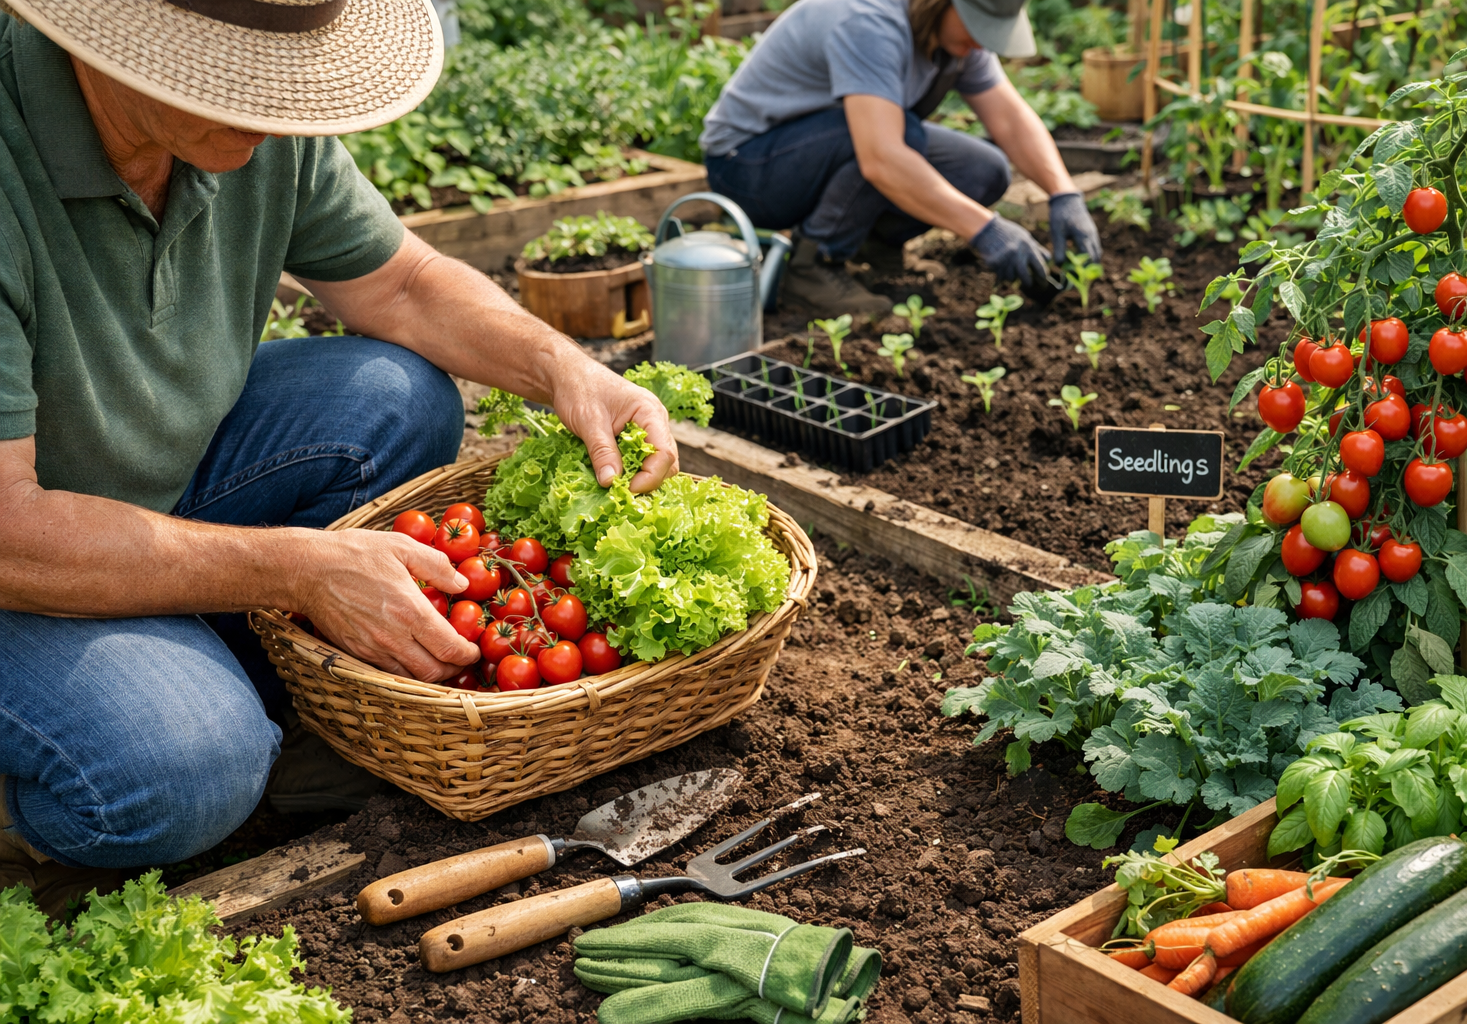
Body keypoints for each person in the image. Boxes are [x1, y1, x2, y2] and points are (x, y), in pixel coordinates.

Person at [0, 0, 678, 915]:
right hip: (18, 546)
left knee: (394, 396)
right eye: (240, 81)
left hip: (135, 480)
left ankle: (225, 668)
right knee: (188, 768)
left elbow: (401, 282)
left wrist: (565, 369)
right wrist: (297, 568)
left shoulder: (251, 120)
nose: (282, 113)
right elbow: (12, 531)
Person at [701, 0, 1102, 315]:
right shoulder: (869, 20)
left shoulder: (956, 39)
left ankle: (872, 246)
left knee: (983, 170)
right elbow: (881, 157)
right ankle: (812, 265)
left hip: (818, 149)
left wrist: (1064, 194)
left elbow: (1011, 120)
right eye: (977, 25)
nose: (982, 41)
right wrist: (987, 230)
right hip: (749, 168)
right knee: (899, 137)